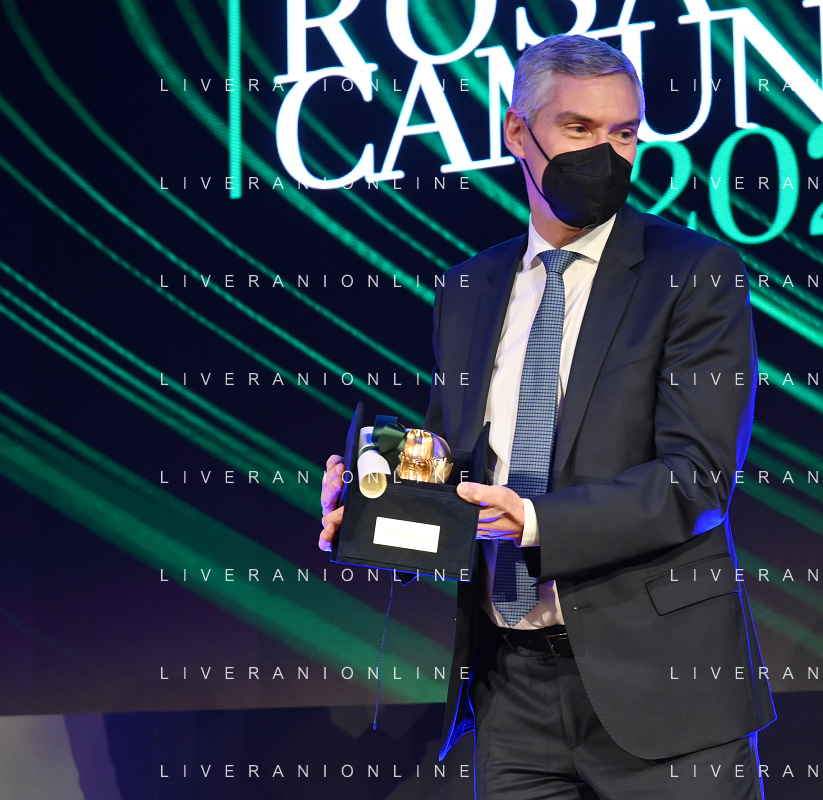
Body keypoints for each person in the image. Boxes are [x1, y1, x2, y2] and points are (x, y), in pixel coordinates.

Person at [318, 33, 774, 799]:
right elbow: (453, 472)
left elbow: (696, 480)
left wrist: (532, 521)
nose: (605, 153)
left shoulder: (692, 272)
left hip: (662, 685)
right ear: (516, 132)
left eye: (623, 133)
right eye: (578, 128)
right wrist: (372, 510)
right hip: (511, 696)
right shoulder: (468, 288)